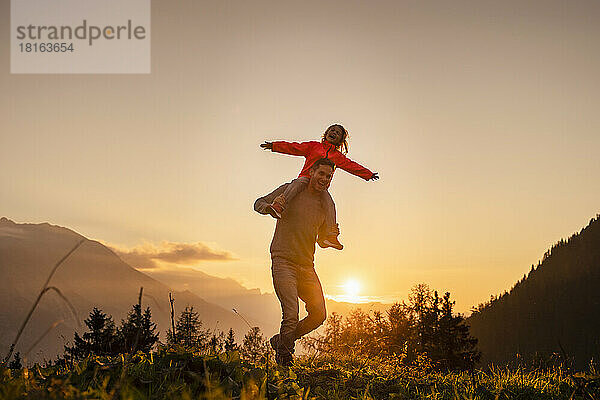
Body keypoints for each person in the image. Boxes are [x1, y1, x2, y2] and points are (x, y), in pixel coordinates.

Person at [254, 158, 337, 366]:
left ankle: (281, 341)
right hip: (283, 261)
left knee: (319, 315)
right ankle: (284, 362)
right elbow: (258, 203)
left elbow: (321, 240)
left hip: (307, 265)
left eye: (329, 176)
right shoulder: (291, 190)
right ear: (312, 172)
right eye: (322, 174)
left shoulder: (325, 205)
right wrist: (270, 209)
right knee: (291, 314)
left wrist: (329, 237)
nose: (324, 179)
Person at [260, 124, 379, 250]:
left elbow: (352, 166)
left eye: (337, 133)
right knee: (295, 185)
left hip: (322, 187)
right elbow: (294, 147)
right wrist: (274, 146)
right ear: (326, 133)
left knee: (330, 204)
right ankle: (279, 206)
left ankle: (329, 235)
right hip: (305, 178)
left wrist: (368, 174)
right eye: (332, 130)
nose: (334, 132)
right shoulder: (313, 146)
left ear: (340, 140)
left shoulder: (338, 157)